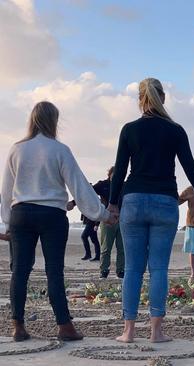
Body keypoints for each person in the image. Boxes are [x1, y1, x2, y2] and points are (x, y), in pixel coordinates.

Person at [110, 78, 194, 343]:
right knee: (158, 268)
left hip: (133, 200)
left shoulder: (129, 129)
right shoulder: (175, 130)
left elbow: (120, 171)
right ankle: (156, 331)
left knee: (133, 268)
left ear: (140, 100)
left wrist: (113, 204)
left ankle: (128, 331)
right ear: (163, 98)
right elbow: (191, 169)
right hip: (164, 202)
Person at [1, 101, 117, 342]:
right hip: (52, 215)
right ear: (54, 121)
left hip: (21, 213)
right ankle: (64, 327)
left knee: (19, 271)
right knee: (54, 271)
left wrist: (7, 222)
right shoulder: (60, 149)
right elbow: (79, 186)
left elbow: (6, 190)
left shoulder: (16, 149)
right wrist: (103, 215)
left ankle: (18, 326)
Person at [67, 167, 124, 278]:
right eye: (114, 174)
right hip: (107, 221)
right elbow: (87, 193)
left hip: (122, 221)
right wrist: (74, 202)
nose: (117, 176)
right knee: (106, 247)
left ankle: (121, 270)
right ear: (110, 175)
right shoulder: (103, 185)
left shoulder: (125, 185)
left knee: (121, 248)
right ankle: (104, 270)